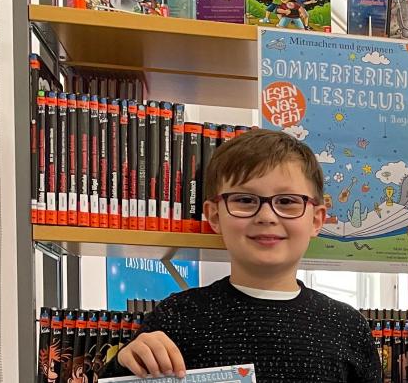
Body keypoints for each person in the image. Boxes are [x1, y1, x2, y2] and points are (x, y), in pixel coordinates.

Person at [101, 129, 382, 382]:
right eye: (245, 200)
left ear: (317, 220)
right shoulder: (177, 316)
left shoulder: (347, 327)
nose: (267, 216)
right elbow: (122, 374)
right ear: (214, 215)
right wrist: (125, 362)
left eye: (287, 201)